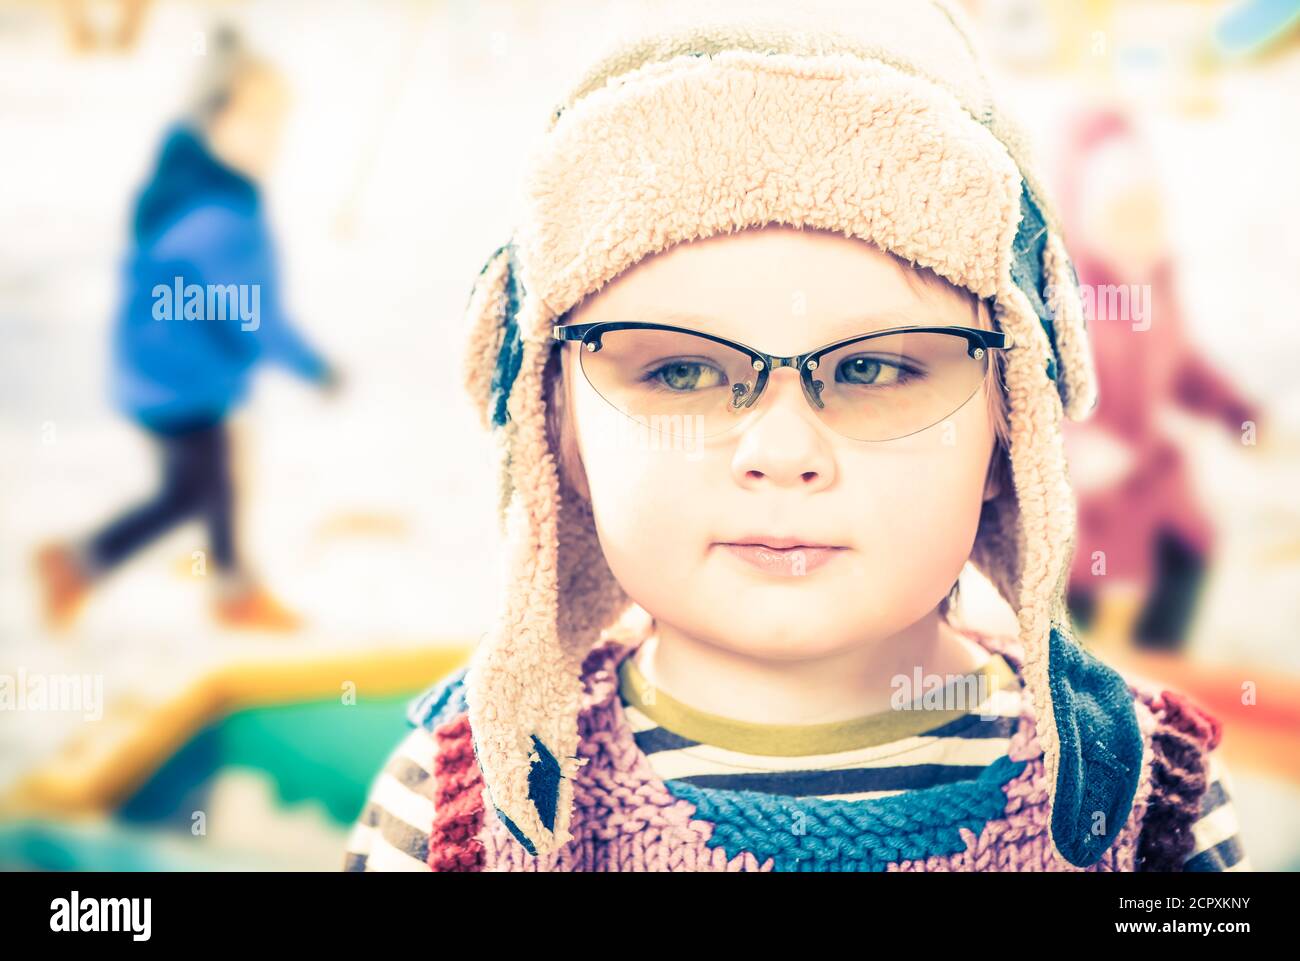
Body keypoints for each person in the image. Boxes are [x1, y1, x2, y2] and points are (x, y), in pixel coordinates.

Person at [344, 0, 1249, 871]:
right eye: (681, 371)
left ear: (1012, 422)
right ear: (558, 429)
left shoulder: (1150, 810)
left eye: (874, 368)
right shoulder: (456, 810)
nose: (780, 450)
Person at [34, 26, 340, 633]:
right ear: (215, 120)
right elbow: (253, 314)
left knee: (215, 480)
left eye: (278, 125)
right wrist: (311, 365)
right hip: (179, 382)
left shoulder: (189, 186)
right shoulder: (216, 216)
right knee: (188, 493)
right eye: (259, 123)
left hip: (166, 372)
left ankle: (229, 587)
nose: (273, 141)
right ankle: (78, 563)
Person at [1056, 106, 1264, 655]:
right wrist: (1077, 450)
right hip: (1093, 530)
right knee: (1104, 669)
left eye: (1149, 212)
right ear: (1092, 214)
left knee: (1168, 646)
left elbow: (1181, 366)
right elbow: (1025, 394)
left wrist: (1243, 415)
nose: (1141, 229)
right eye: (1125, 214)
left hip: (1166, 514)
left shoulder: (1157, 278)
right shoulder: (1066, 293)